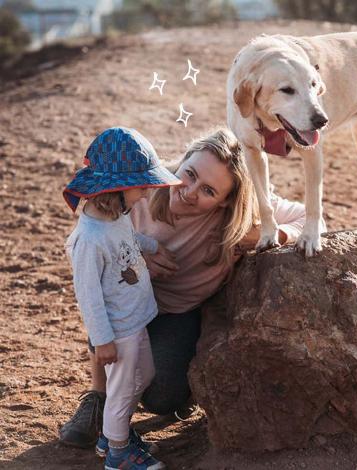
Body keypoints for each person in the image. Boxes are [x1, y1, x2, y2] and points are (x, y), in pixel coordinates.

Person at [59, 127, 315, 450]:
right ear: (183, 160)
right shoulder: (140, 187)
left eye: (209, 191)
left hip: (176, 312)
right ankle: (98, 397)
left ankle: (174, 389)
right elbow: (90, 248)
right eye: (189, 173)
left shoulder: (239, 216)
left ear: (226, 203)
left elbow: (308, 216)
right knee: (106, 305)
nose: (190, 191)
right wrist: (136, 264)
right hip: (124, 302)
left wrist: (269, 233)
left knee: (163, 395)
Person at [64, 127, 181, 469]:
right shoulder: (88, 239)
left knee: (142, 376)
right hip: (117, 329)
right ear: (115, 188)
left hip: (136, 317)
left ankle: (111, 436)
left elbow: (130, 238)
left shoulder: (118, 215)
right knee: (121, 389)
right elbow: (88, 296)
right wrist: (102, 341)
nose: (146, 194)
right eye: (141, 186)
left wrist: (153, 246)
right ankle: (117, 453)